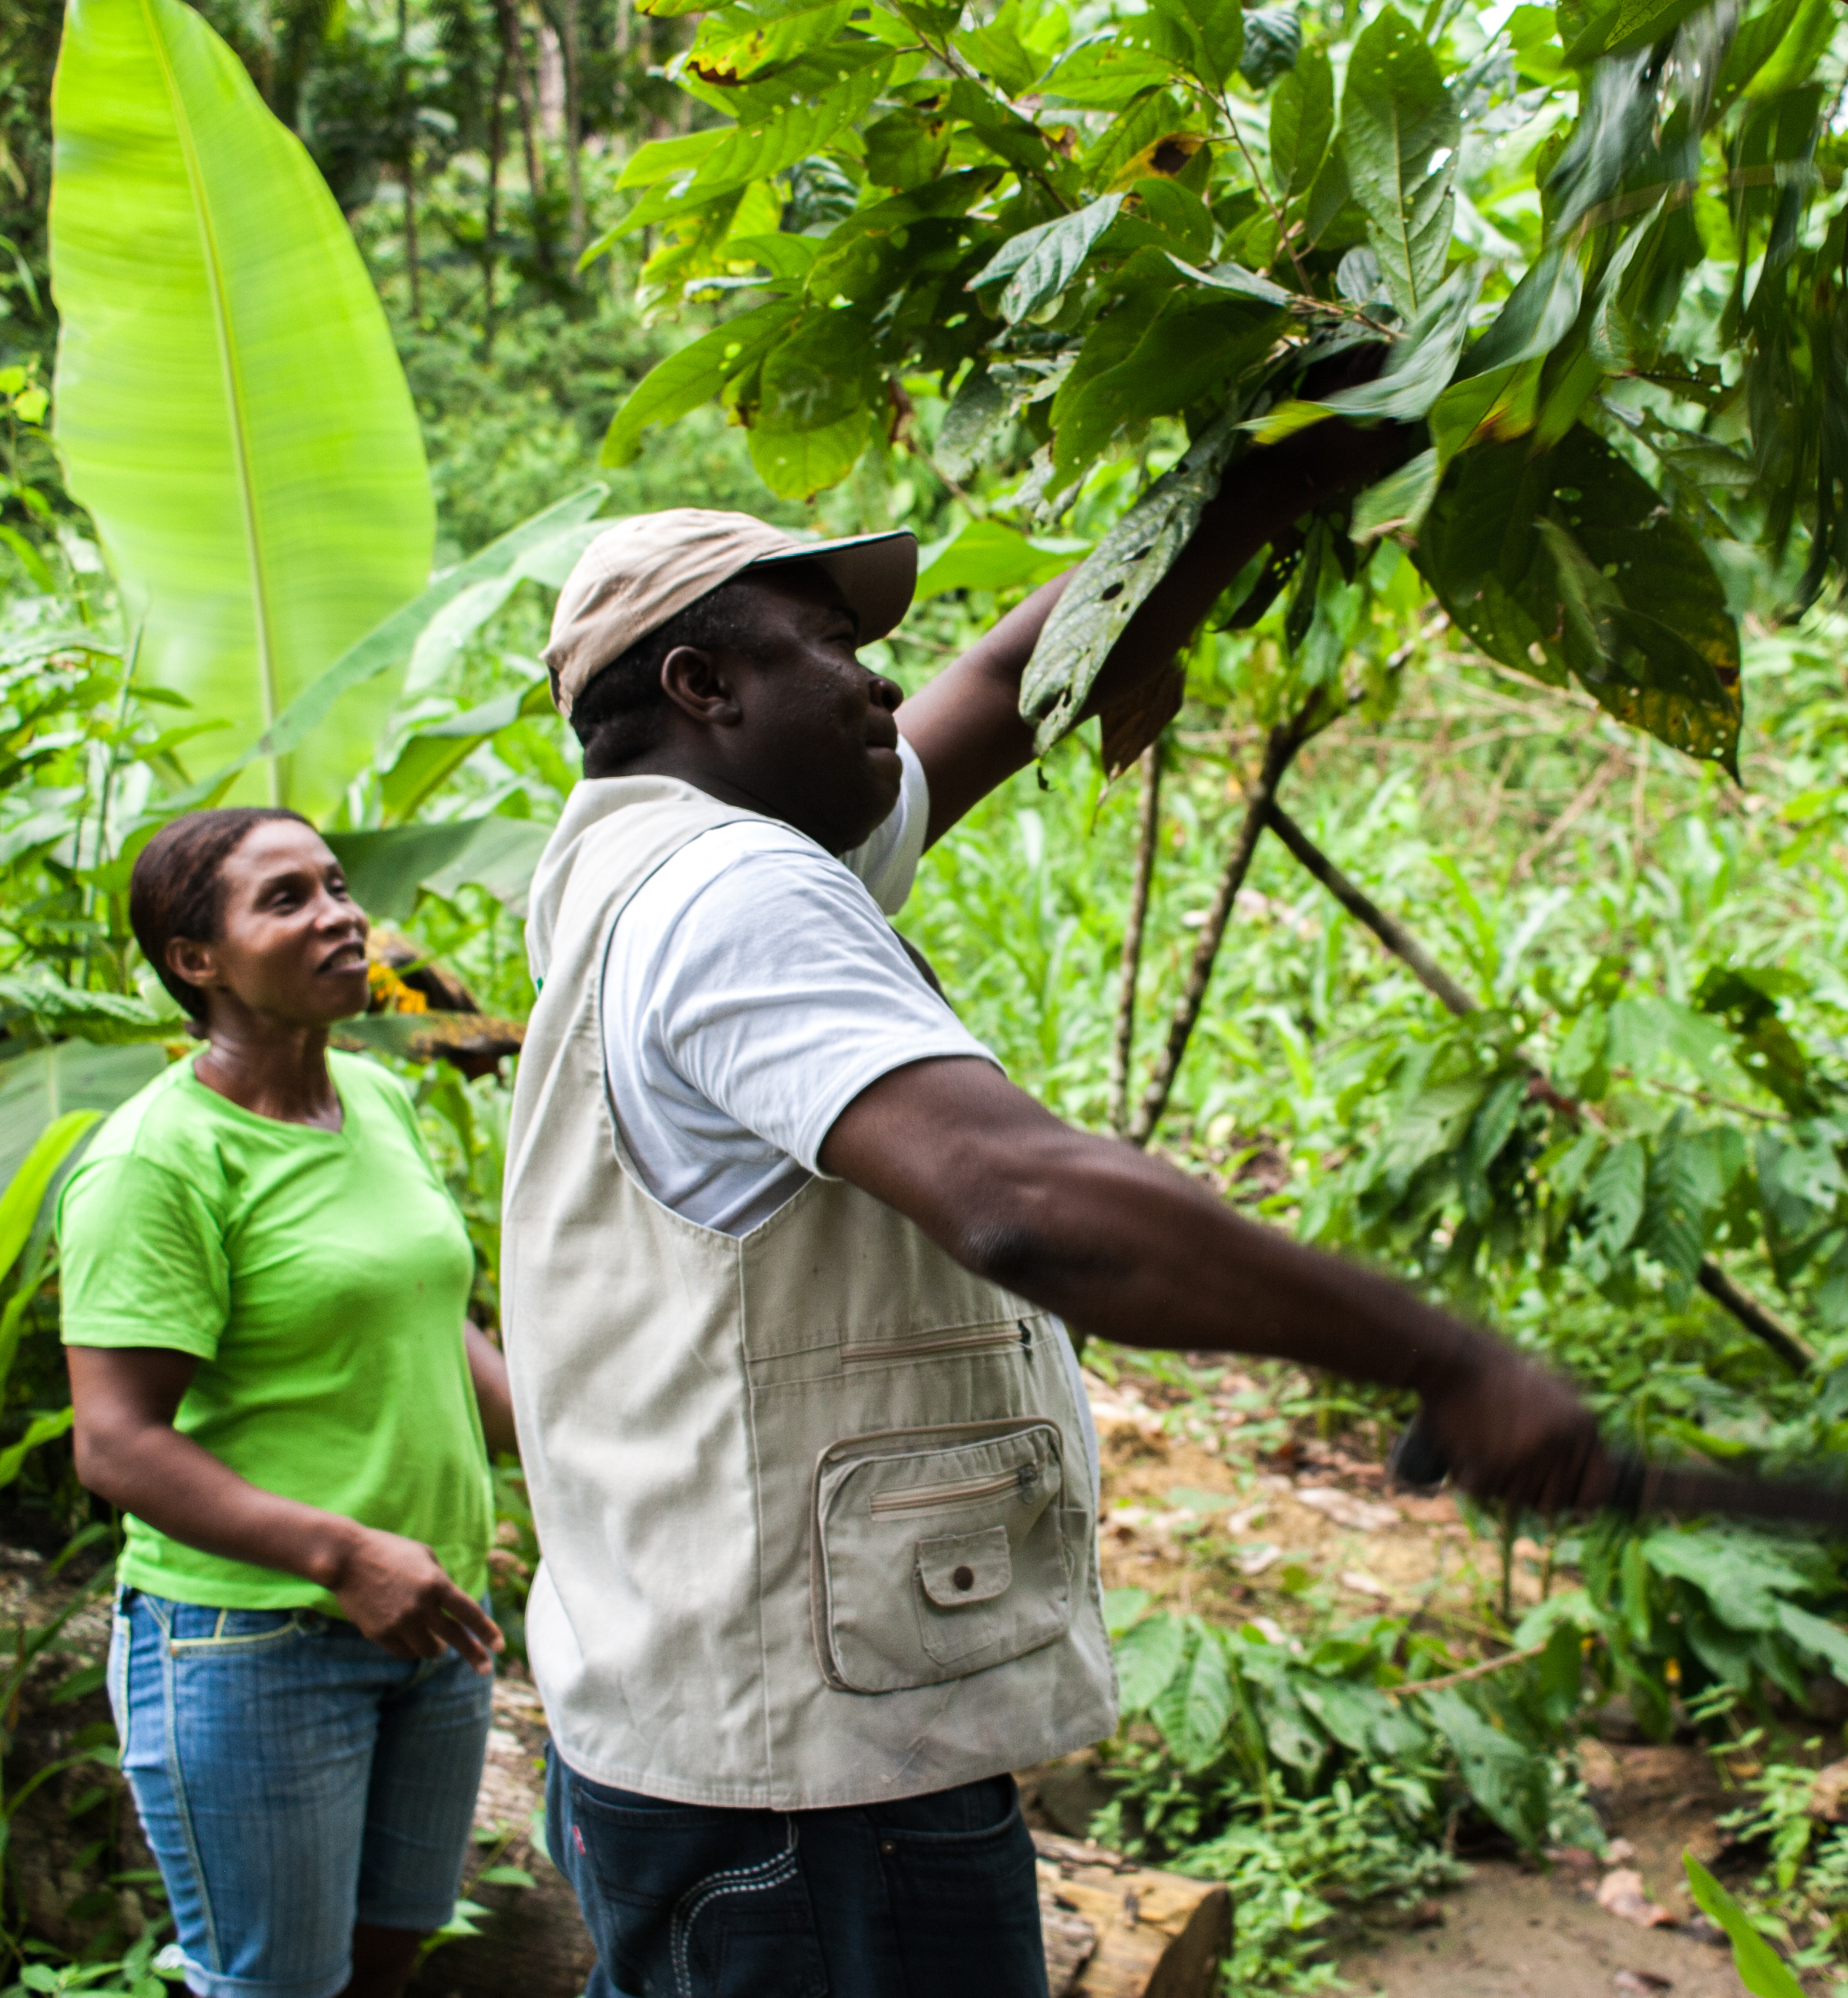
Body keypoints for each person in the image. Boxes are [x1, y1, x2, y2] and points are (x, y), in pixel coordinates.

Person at [503, 433, 1613, 1996]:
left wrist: (1268, 471)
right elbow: (1022, 1203)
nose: (879, 685)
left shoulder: (646, 873)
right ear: (704, 688)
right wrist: (1446, 1356)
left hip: (733, 1758)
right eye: (830, 647)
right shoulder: (730, 898)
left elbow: (1021, 677)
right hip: (811, 1802)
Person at [60, 808, 521, 1998]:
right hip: (254, 1642)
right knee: (272, 1984)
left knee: (387, 1953)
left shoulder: (376, 1102)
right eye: (287, 899)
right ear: (194, 961)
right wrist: (344, 1555)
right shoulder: (156, 1161)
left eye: (336, 884)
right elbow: (115, 1444)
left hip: (433, 1618)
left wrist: (585, 1453)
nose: (340, 914)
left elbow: (431, 1322)